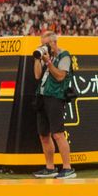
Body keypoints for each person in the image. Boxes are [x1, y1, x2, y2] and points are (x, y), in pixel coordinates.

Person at [31, 30, 77, 180]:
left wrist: (49, 63)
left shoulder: (64, 56)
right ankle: (50, 168)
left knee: (58, 133)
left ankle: (67, 168)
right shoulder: (46, 56)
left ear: (53, 43)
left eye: (44, 44)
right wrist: (38, 59)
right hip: (43, 96)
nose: (42, 47)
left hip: (56, 97)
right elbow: (37, 75)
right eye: (41, 44)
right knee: (44, 135)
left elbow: (60, 76)